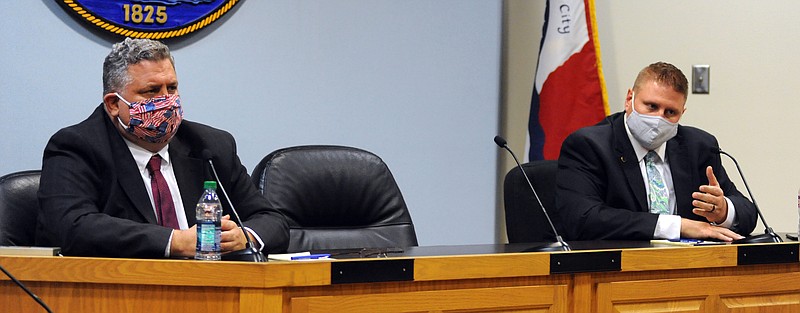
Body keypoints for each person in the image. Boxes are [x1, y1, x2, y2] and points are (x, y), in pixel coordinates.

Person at [36, 38, 289, 258]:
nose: (167, 101)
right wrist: (176, 242)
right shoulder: (77, 147)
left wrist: (245, 238)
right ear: (114, 104)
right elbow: (71, 226)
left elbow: (272, 221)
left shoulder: (210, 146)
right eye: (152, 91)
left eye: (172, 88)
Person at [556, 62, 757, 242]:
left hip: (689, 268)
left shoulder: (699, 146)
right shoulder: (590, 145)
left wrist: (723, 211)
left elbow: (748, 212)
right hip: (618, 271)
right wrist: (679, 226)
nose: (659, 118)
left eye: (670, 112)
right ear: (629, 99)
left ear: (682, 113)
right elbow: (583, 219)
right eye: (651, 106)